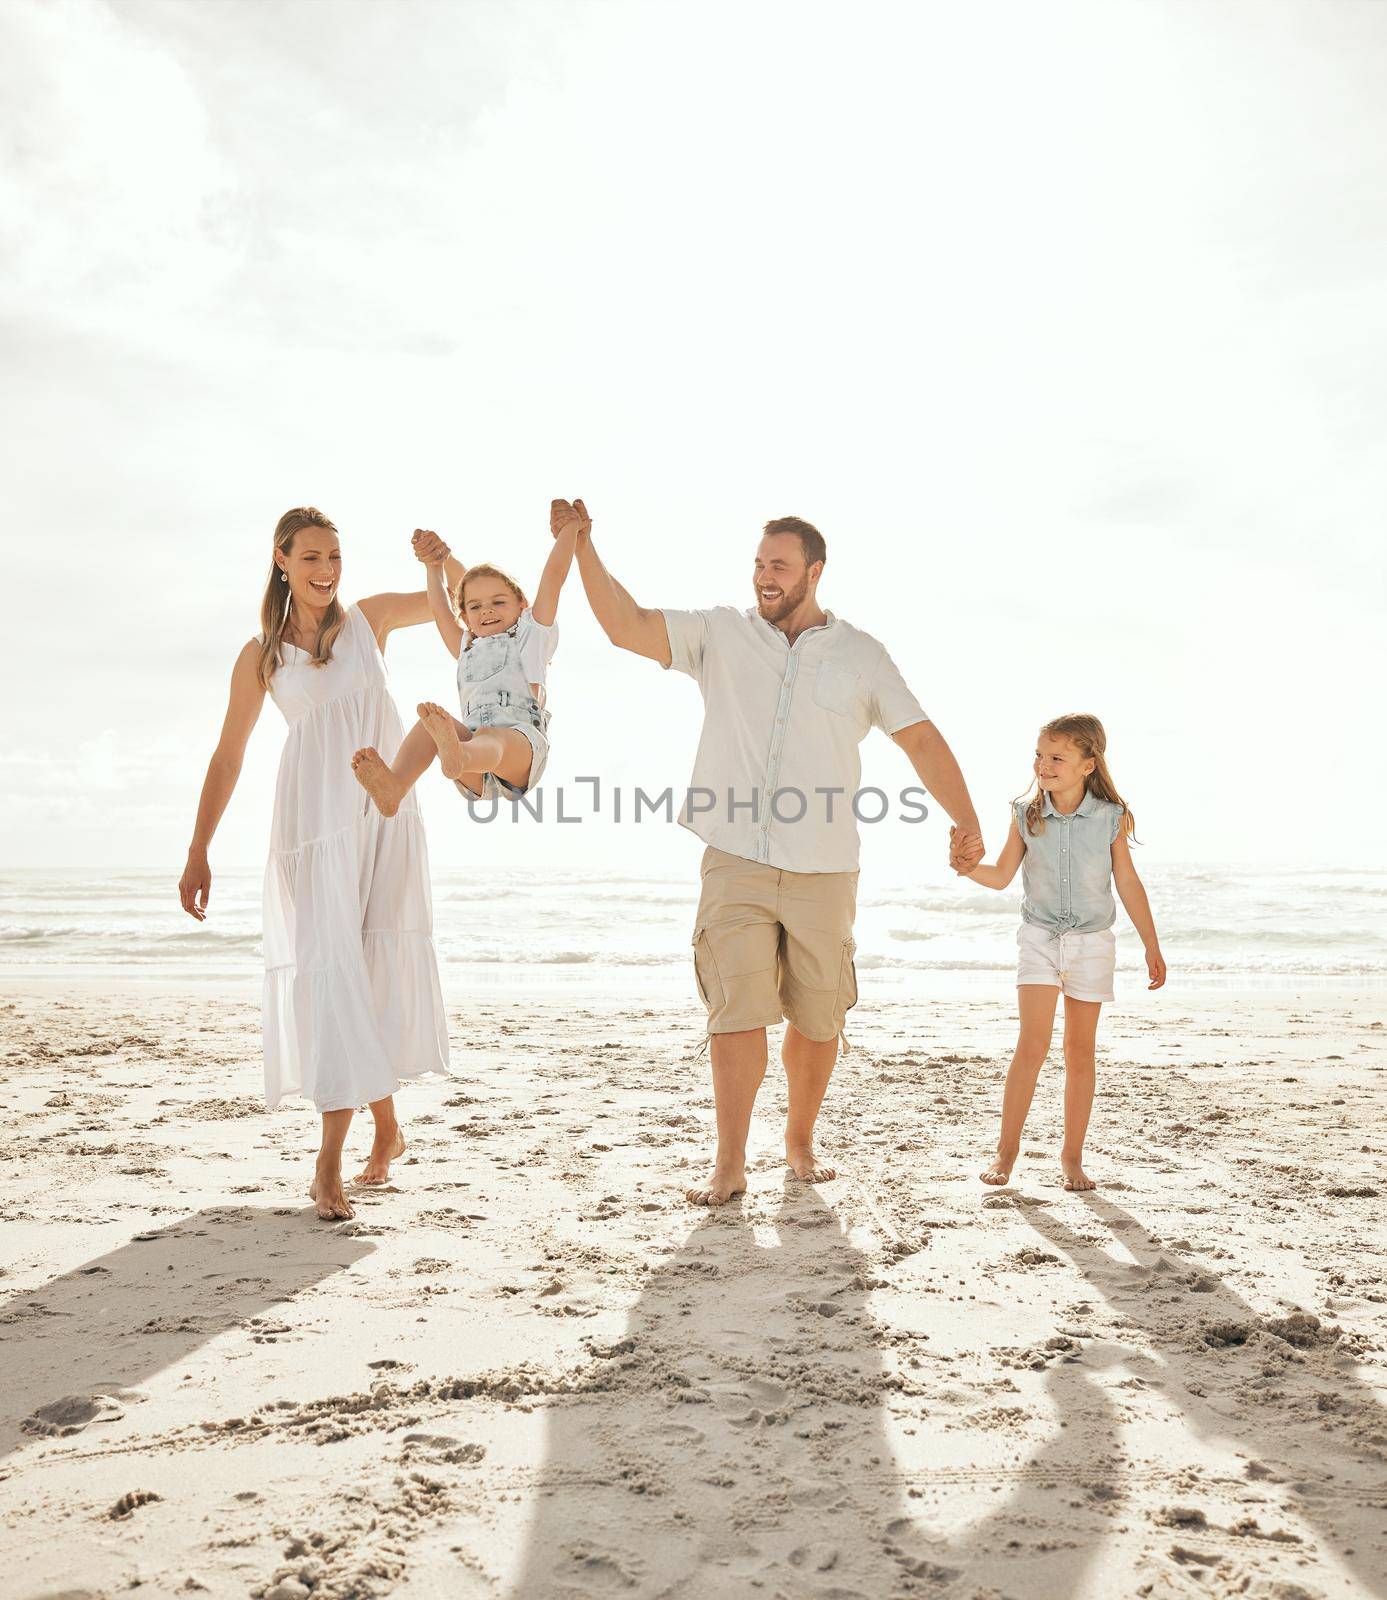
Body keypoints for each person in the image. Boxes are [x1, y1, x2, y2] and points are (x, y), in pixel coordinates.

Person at [561, 500, 985, 1206]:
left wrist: (965, 821)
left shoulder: (860, 654)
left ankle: (798, 1137)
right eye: (759, 563)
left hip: (824, 863)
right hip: (735, 856)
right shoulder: (720, 635)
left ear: (813, 572)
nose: (765, 576)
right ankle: (729, 1162)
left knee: (818, 1019)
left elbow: (918, 737)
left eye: (779, 566)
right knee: (735, 1011)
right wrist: (581, 548)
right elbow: (624, 626)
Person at [178, 507, 454, 1221]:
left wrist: (438, 559)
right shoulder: (261, 655)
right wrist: (198, 848)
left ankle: (386, 1130)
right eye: (310, 558)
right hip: (313, 826)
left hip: (384, 815)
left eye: (334, 556)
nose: (326, 571)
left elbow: (455, 604)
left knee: (368, 969)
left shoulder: (370, 620)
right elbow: (228, 753)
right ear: (280, 559)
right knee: (331, 974)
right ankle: (331, 1160)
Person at [956, 713, 1166, 1191]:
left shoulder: (1112, 817)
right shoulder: (1024, 814)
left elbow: (1128, 883)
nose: (1043, 765)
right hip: (1040, 940)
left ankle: (1071, 1158)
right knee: (1031, 1045)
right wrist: (965, 867)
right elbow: (1001, 875)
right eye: (1039, 755)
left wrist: (1151, 944)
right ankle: (1005, 1155)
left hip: (1093, 944)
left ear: (1087, 765)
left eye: (1056, 758)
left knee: (1079, 1052)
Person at [351, 512, 579, 812]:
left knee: (490, 738)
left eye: (498, 602)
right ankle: (395, 785)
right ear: (467, 616)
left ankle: (459, 754)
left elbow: (554, 577)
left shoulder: (532, 634)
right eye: (475, 606)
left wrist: (570, 528)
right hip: (470, 761)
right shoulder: (467, 646)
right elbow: (440, 609)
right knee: (428, 726)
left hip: (519, 750)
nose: (486, 611)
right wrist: (433, 568)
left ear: (522, 604)